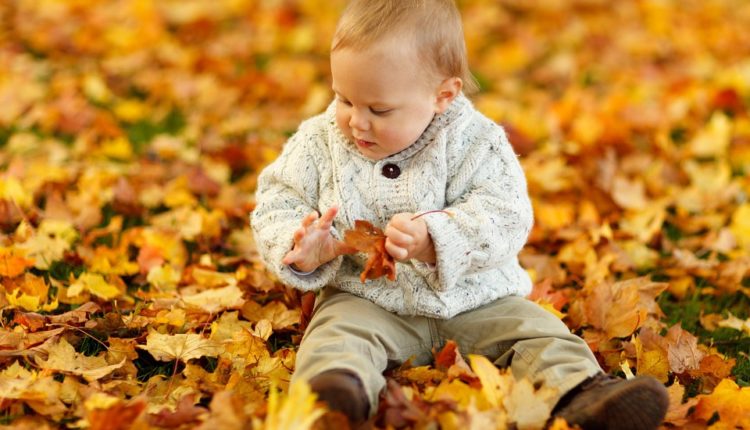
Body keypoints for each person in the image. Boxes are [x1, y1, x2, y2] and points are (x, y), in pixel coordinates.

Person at [250, 0, 669, 428]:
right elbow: (278, 200)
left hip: (477, 297)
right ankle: (336, 392)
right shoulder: (318, 142)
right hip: (367, 300)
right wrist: (298, 245)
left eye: (379, 110)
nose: (357, 122)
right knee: (335, 335)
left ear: (443, 96)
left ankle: (584, 393)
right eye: (344, 99)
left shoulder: (477, 142)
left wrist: (437, 238)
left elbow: (506, 214)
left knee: (535, 331)